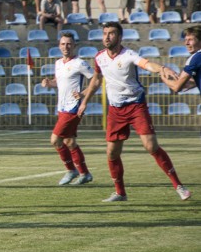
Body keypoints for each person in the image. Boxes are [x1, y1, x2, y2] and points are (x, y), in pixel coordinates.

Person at [78, 22, 190, 202]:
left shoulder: (128, 55)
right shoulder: (99, 57)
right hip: (115, 109)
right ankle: (120, 193)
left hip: (136, 105)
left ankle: (179, 186)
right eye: (105, 33)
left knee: (151, 146)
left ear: (119, 37)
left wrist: (161, 68)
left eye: (111, 33)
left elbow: (146, 64)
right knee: (112, 153)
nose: (107, 37)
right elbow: (96, 80)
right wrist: (85, 101)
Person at [41, 33, 94, 185]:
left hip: (73, 108)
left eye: (69, 44)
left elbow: (96, 80)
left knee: (55, 140)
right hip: (62, 108)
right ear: (59, 46)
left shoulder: (80, 63)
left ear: (74, 46)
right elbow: (58, 82)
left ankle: (71, 170)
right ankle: (85, 174)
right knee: (69, 142)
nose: (66, 47)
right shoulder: (58, 63)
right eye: (63, 44)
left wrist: (83, 94)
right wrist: (49, 83)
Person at [159, 25, 201, 96]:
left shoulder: (195, 58)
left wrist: (163, 77)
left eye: (190, 40)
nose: (186, 43)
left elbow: (176, 87)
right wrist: (194, 83)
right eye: (185, 40)